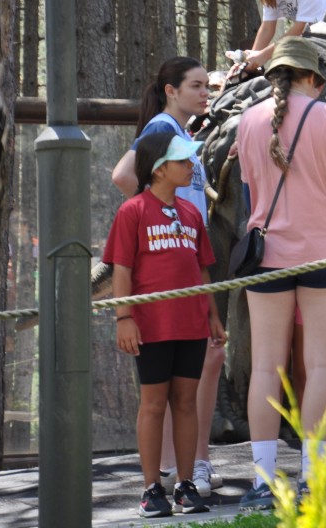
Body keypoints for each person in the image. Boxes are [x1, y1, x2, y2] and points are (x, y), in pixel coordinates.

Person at [236, 37, 326, 510]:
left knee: (266, 366)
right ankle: (314, 477)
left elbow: (251, 189)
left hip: (265, 254)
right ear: (313, 78)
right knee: (321, 364)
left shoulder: (248, 121)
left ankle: (262, 480)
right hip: (322, 252)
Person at [110, 57, 225, 497]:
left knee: (188, 387)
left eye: (206, 85)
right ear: (171, 91)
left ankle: (186, 472)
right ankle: (168, 474)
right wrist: (153, 212)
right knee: (161, 396)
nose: (204, 92)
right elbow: (124, 175)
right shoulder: (162, 129)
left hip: (190, 286)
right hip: (160, 294)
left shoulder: (182, 134)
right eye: (195, 85)